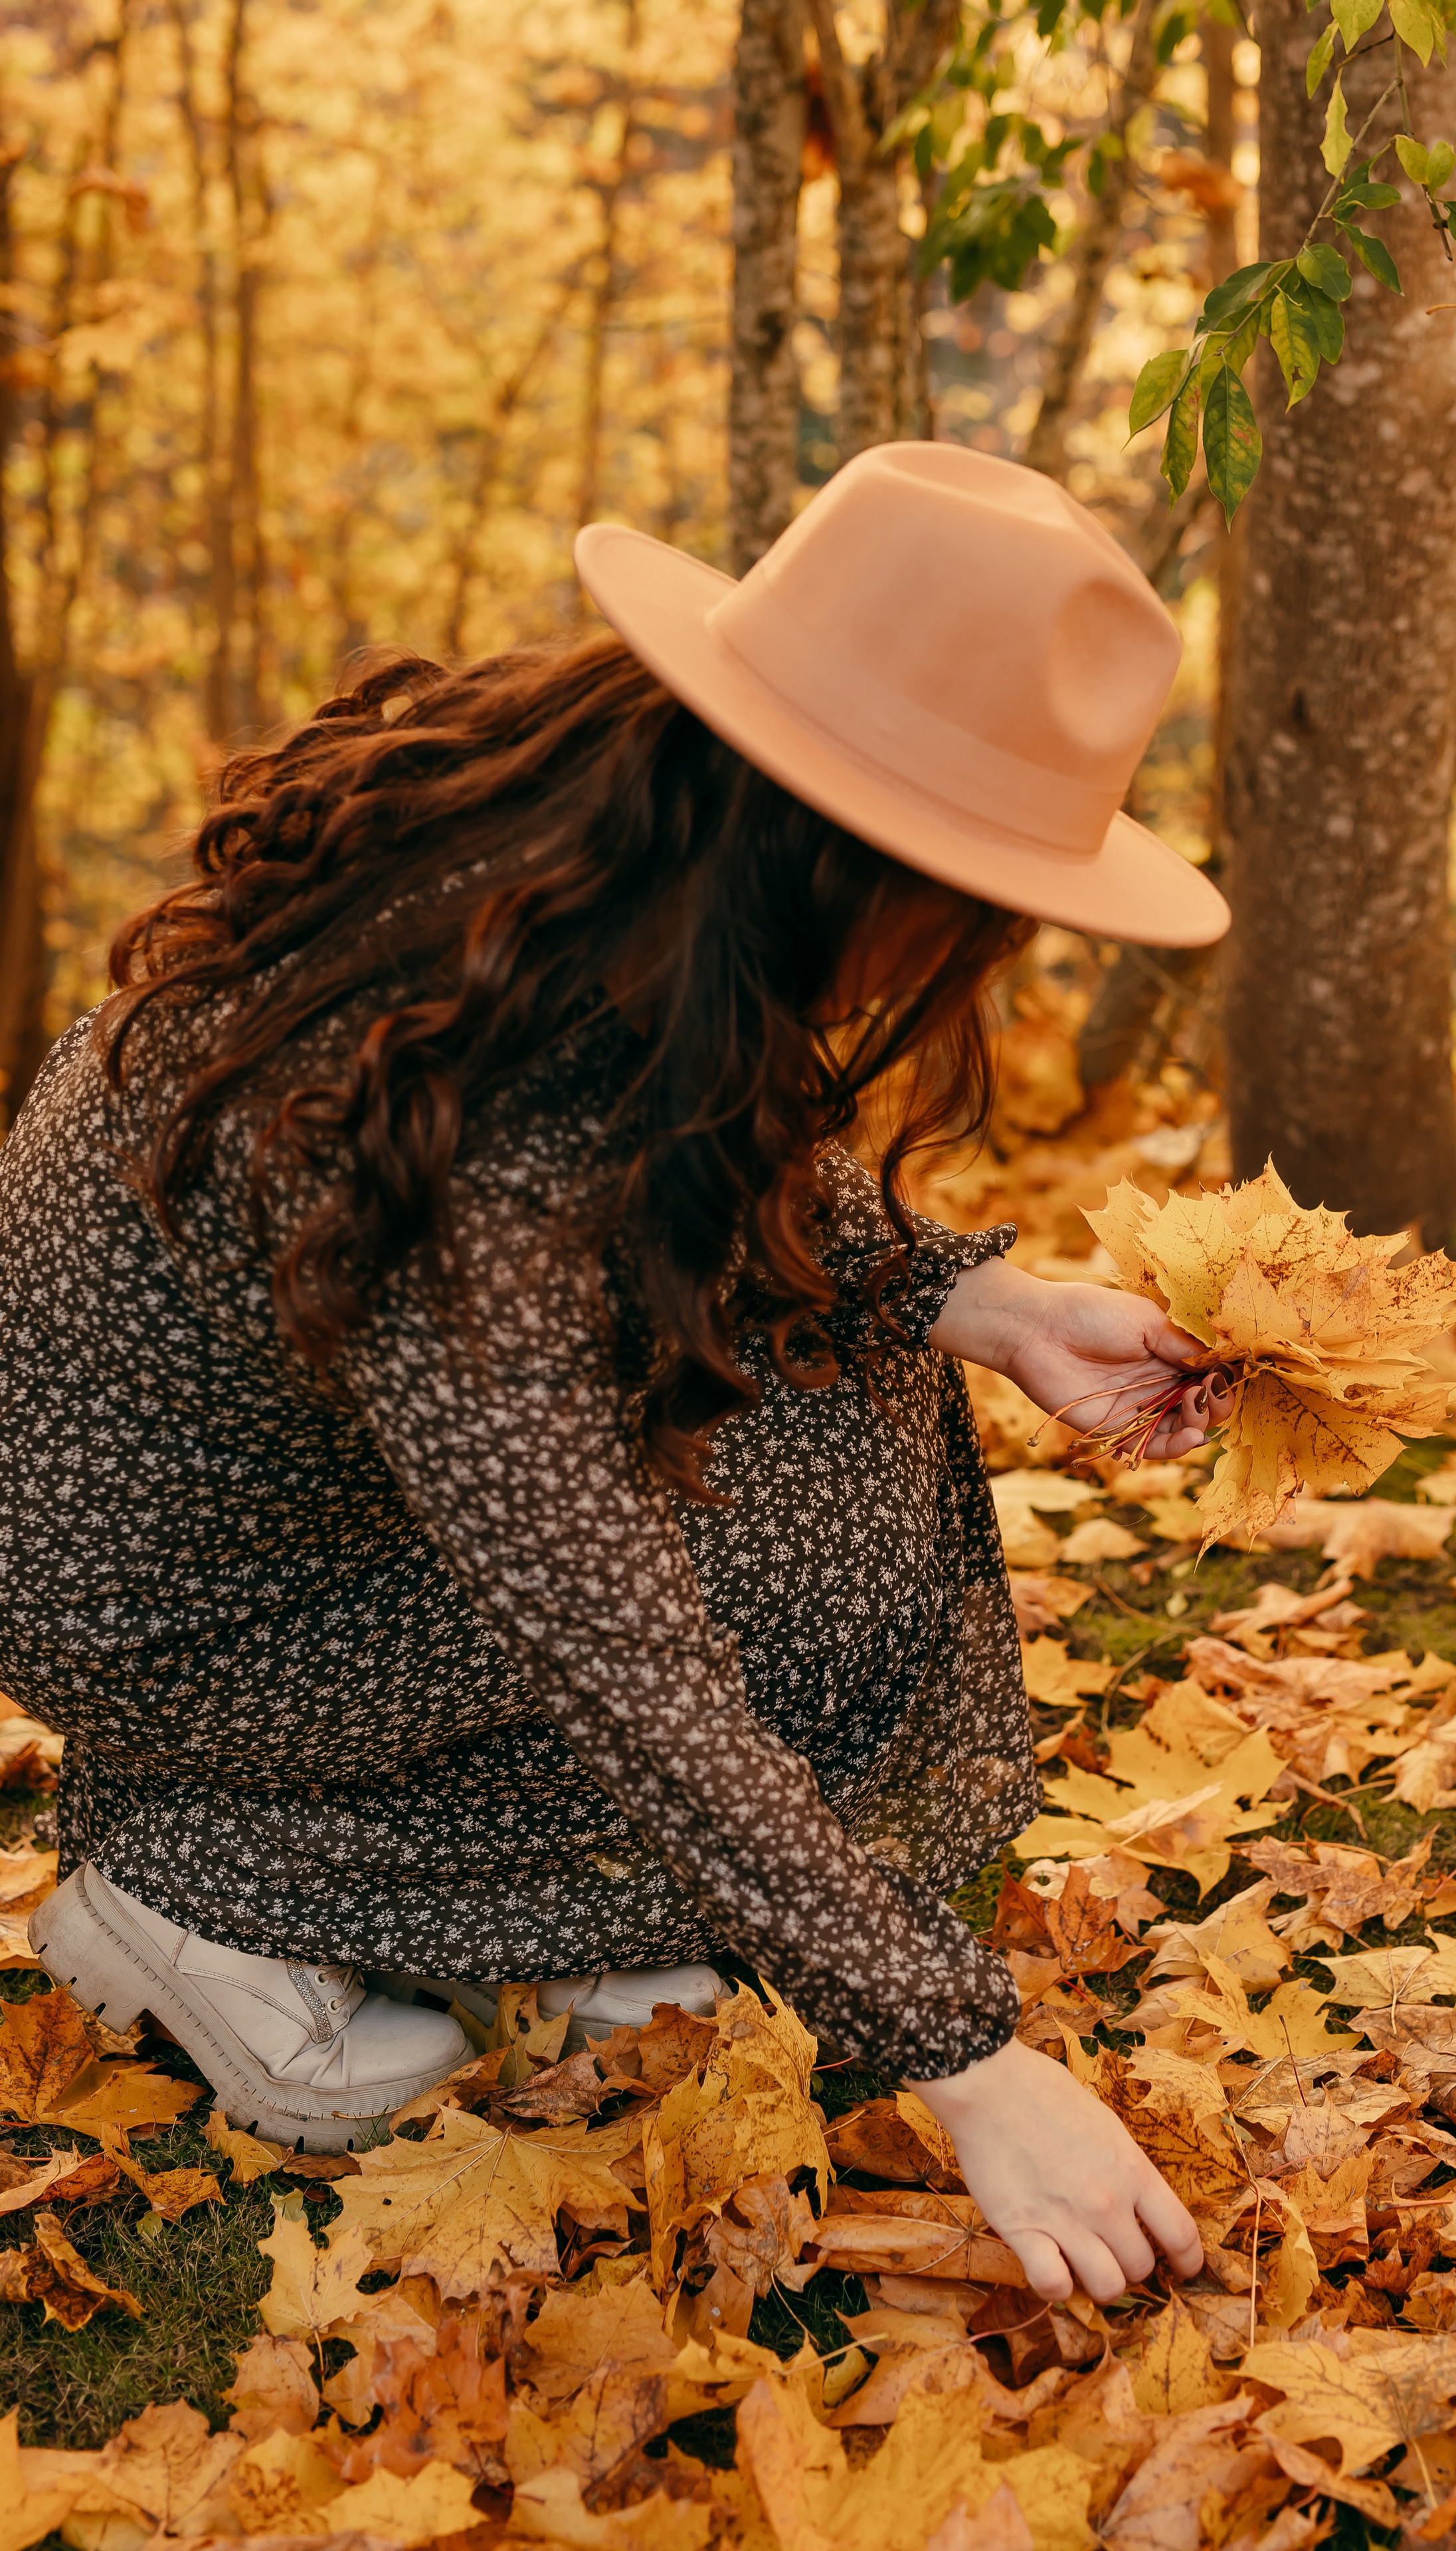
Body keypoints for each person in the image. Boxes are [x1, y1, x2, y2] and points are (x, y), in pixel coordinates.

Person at [5, 440, 1231, 2307]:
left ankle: (549, 1902)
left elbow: (676, 1137)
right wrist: (969, 2065)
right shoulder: (470, 1151)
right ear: (865, 869)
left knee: (849, 1395)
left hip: (254, 1494)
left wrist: (983, 1303)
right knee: (761, 1555)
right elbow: (612, 1640)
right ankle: (193, 1886)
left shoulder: (586, 813)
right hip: (176, 1605)